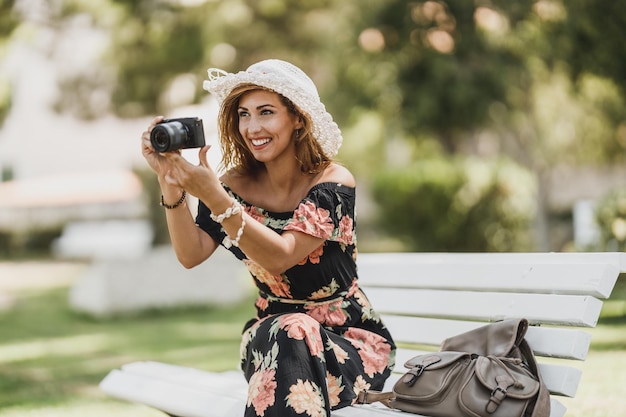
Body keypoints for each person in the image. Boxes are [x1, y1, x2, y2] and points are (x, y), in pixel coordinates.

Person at [141, 59, 396, 417]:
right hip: (270, 341)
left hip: (349, 345)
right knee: (291, 331)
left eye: (266, 112)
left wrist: (215, 197)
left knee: (296, 330)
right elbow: (190, 253)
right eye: (244, 114)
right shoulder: (233, 186)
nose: (252, 127)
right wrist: (168, 182)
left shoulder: (333, 183)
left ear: (298, 119)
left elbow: (281, 256)